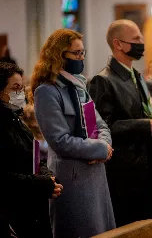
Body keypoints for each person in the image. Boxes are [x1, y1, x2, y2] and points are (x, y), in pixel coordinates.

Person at [30, 29, 115, 238]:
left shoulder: (79, 87)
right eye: (76, 54)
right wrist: (98, 149)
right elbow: (59, 140)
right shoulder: (47, 91)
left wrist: (103, 146)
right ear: (59, 56)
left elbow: (100, 125)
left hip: (96, 173)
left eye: (82, 53)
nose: (81, 58)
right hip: (73, 177)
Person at [89, 20, 152, 227]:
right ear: (118, 44)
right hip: (125, 174)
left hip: (147, 168)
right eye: (136, 39)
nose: (142, 43)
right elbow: (102, 127)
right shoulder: (103, 80)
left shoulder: (137, 76)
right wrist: (144, 125)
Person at [0, 62, 62, 238]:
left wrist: (47, 177)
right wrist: (40, 184)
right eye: (15, 88)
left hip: (34, 207)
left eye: (22, 87)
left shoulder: (18, 122)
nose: (20, 94)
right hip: (13, 213)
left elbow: (36, 157)